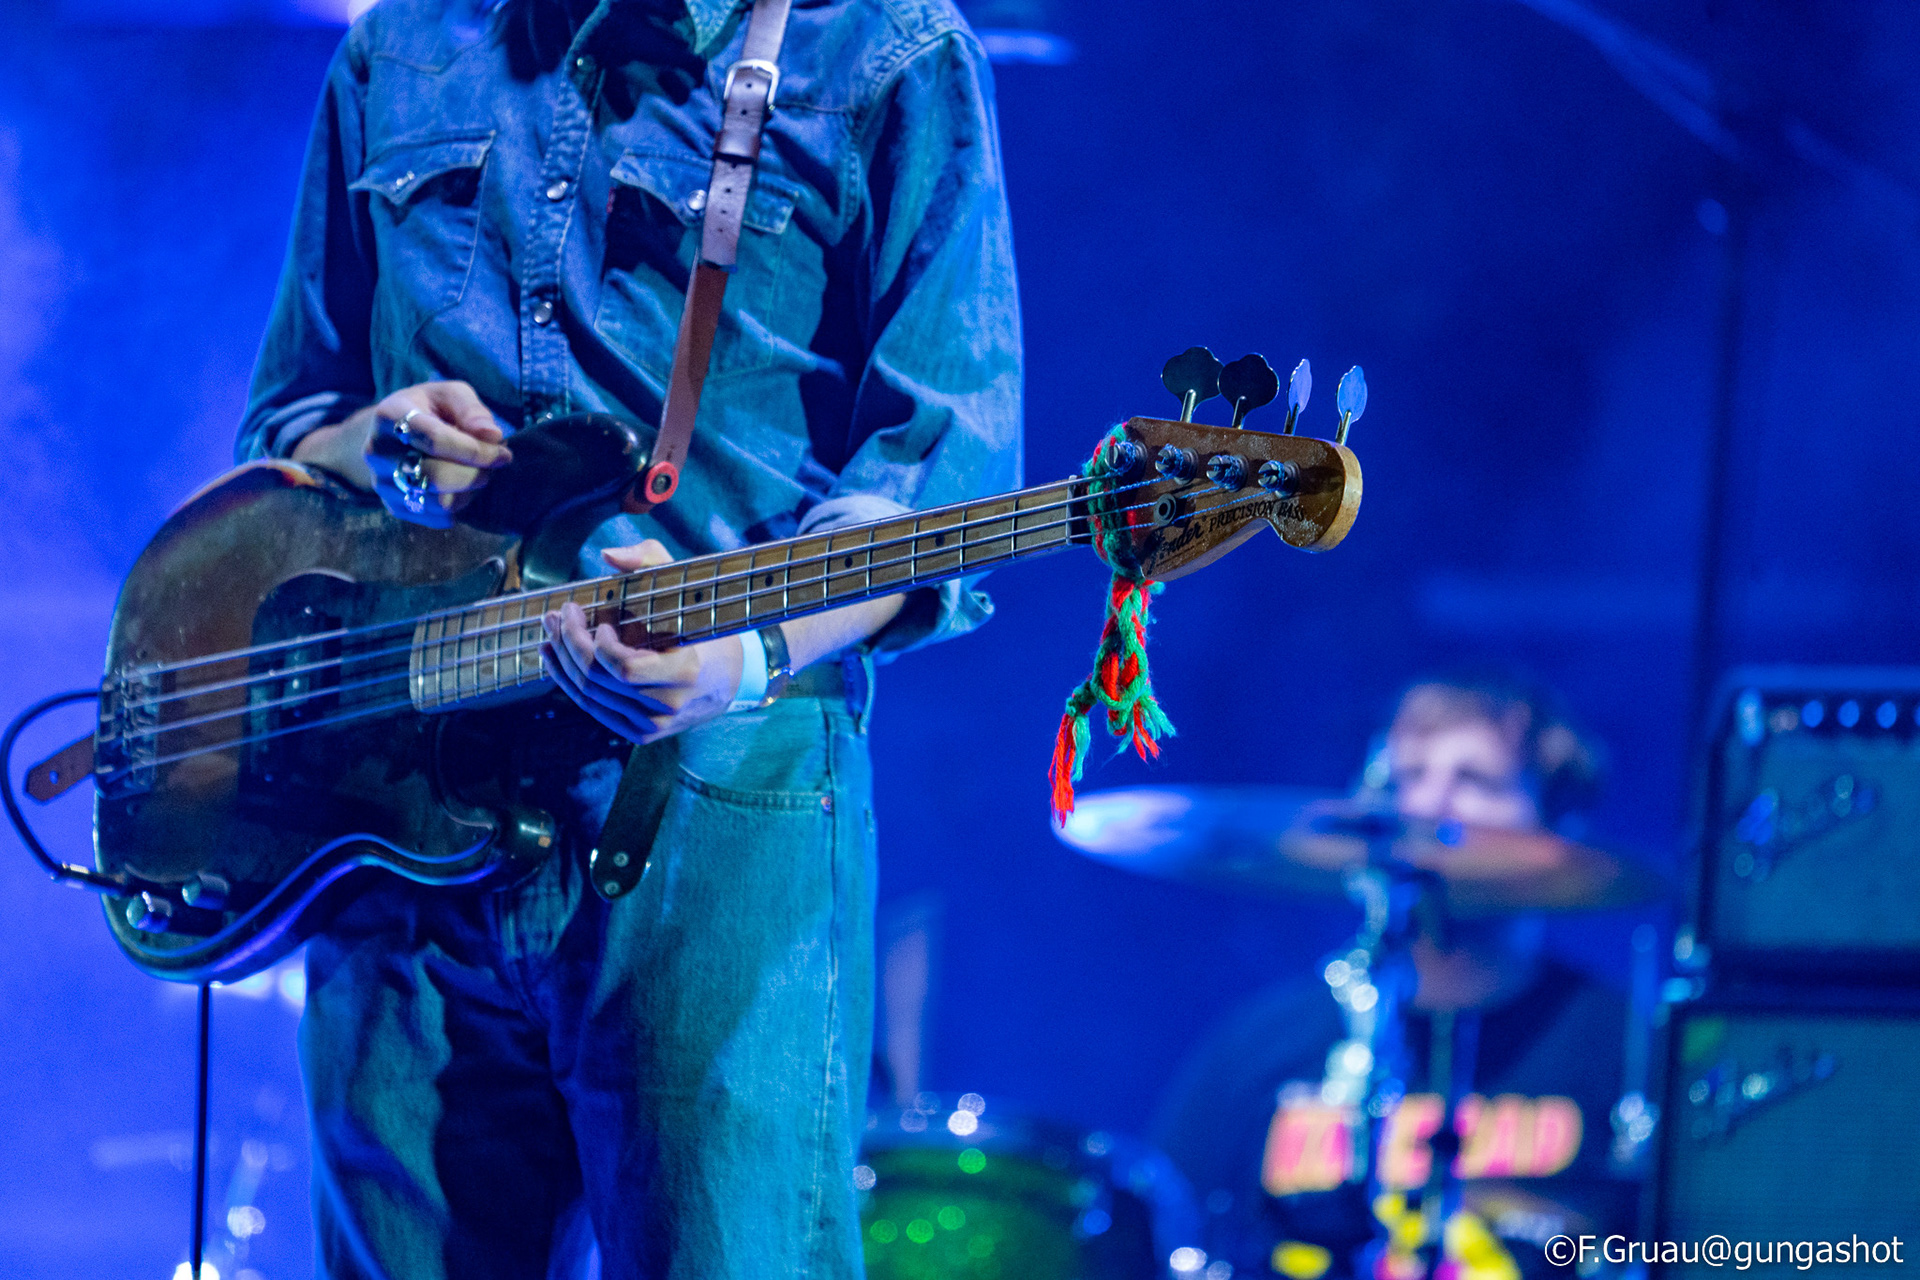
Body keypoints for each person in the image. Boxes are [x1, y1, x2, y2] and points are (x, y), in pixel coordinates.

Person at [235, 0, 1020, 1276]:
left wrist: (741, 655)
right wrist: (375, 445)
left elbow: (937, 488)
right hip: (401, 806)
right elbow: (288, 419)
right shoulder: (399, 45)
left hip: (718, 805)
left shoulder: (888, 49)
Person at [1153, 674, 1639, 1280]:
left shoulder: (1629, 1051)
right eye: (1409, 777)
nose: (1429, 807)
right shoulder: (1260, 1047)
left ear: (1558, 828)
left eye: (1475, 781)